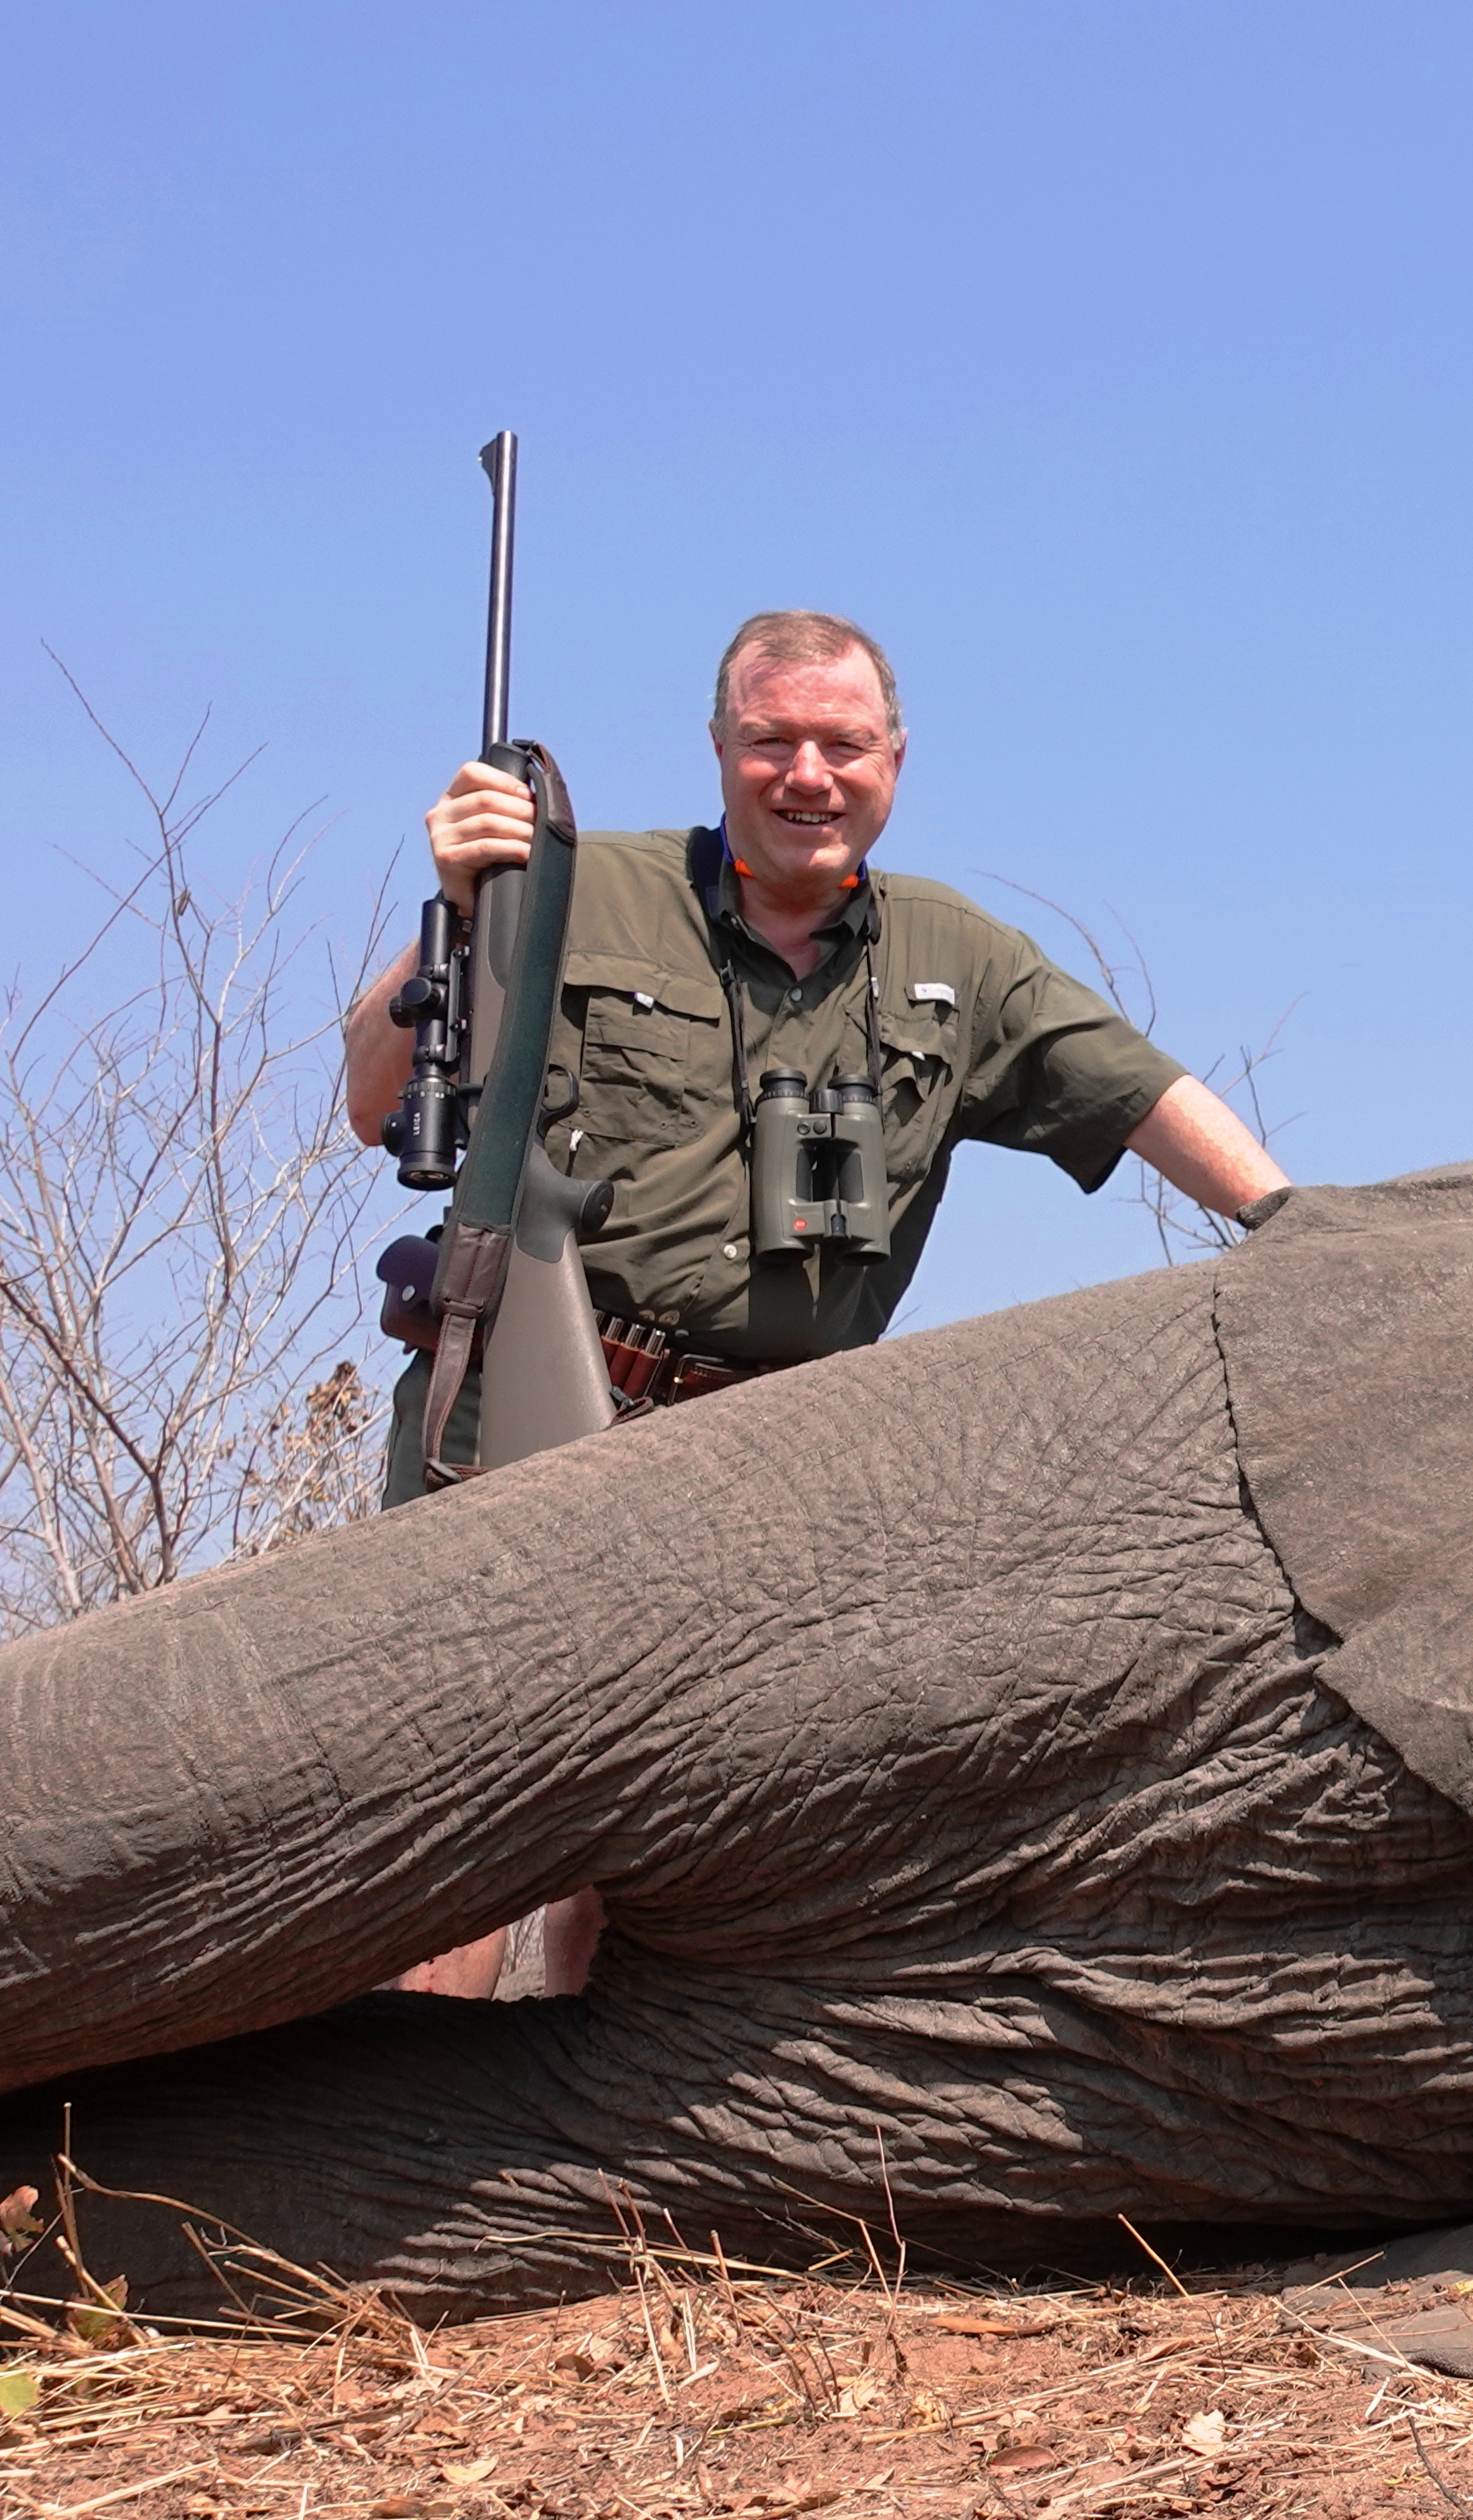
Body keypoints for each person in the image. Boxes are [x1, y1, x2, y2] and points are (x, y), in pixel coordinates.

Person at [335, 607, 1285, 1994]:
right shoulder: (570, 888)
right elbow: (372, 1099)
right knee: (469, 1811)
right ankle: (377, 2179)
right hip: (524, 1413)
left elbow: (1146, 1097)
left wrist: (1298, 1228)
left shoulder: (964, 960)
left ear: (895, 760)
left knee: (681, 1850)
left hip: (771, 1468)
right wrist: (466, 906)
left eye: (842, 745)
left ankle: (615, 2196)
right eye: (771, 742)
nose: (807, 776)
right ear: (719, 753)